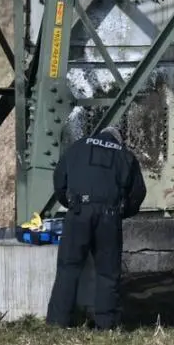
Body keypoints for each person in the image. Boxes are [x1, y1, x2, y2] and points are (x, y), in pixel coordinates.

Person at [45, 125, 147, 330]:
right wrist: (120, 212)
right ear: (118, 140)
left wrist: (71, 204)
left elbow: (59, 181)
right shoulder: (125, 156)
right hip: (109, 217)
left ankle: (58, 322)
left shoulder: (78, 147)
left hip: (78, 212)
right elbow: (137, 194)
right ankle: (106, 324)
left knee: (68, 268)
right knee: (107, 272)